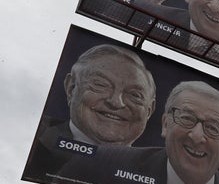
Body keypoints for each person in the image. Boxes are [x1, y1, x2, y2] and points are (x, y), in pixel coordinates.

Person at [59, 81, 219, 184]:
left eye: (213, 128)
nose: (197, 136)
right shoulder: (103, 163)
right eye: (187, 118)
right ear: (166, 124)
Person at [24, 44, 156, 176]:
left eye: (135, 95)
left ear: (149, 111)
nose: (116, 102)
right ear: (71, 88)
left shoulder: (160, 170)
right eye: (101, 85)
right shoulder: (33, 140)